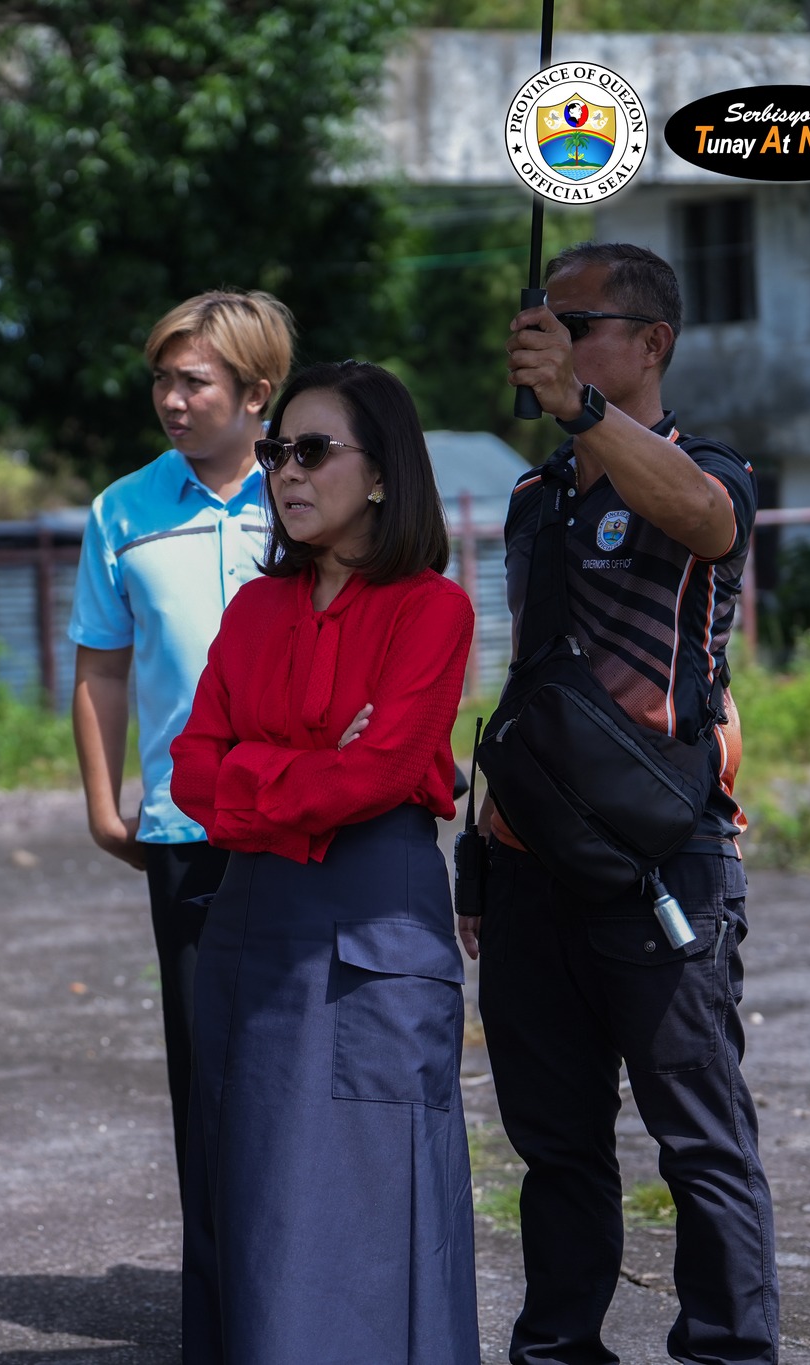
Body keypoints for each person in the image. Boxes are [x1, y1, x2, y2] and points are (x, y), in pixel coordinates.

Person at [476, 242, 777, 1364]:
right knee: (553, 1149)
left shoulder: (710, 467)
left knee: (700, 1141)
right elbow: (527, 687)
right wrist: (479, 856)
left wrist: (581, 407)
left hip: (664, 867)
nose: (544, 337)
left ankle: (724, 1352)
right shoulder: (532, 495)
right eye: (536, 321)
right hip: (525, 870)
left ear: (648, 342)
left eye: (575, 321)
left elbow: (704, 520)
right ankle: (555, 1350)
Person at [170, 360, 479, 1365]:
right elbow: (188, 775)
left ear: (382, 473)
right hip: (252, 927)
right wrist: (312, 773)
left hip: (373, 933)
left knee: (377, 1202)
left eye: (309, 451)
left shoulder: (432, 608)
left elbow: (383, 771)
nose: (283, 473)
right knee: (259, 1207)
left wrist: (262, 779)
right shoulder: (255, 611)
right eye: (274, 452)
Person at [67, 289, 293, 1207]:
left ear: (256, 393)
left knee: (306, 1053)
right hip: (185, 822)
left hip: (309, 816)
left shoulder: (312, 491)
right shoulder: (122, 510)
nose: (170, 399)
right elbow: (103, 667)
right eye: (161, 379)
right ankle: (219, 1298)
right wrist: (101, 802)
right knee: (204, 1064)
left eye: (192, 381)